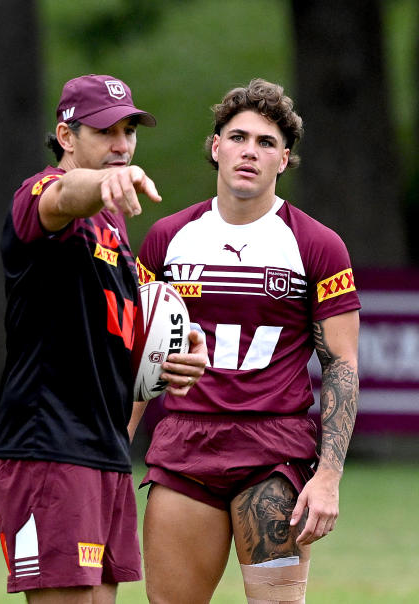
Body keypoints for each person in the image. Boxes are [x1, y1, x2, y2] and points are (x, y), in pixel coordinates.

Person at [135, 78, 361, 603]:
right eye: (238, 137)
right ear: (216, 146)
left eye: (266, 143)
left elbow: (342, 364)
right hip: (184, 446)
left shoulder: (317, 246)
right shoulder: (168, 239)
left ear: (284, 160)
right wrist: (110, 453)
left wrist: (328, 478)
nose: (249, 152)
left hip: (273, 450)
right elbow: (137, 358)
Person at [0, 74, 206, 604]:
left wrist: (177, 345)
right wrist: (99, 185)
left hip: (105, 447)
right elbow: (65, 194)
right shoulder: (39, 199)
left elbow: (125, 334)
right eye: (107, 130)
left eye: (130, 130)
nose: (123, 145)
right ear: (67, 136)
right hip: (49, 445)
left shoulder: (114, 227)